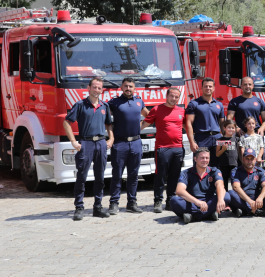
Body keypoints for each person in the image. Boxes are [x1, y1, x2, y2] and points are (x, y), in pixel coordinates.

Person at [63, 77, 114, 221]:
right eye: (94, 87)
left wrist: (111, 138)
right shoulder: (80, 105)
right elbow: (67, 122)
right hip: (86, 144)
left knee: (100, 177)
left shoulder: (105, 106)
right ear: (89, 88)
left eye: (99, 88)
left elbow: (109, 124)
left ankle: (98, 207)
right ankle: (79, 208)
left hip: (101, 144)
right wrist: (73, 141)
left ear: (102, 90)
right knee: (82, 177)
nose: (97, 90)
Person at [107, 77, 149, 214]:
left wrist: (140, 128)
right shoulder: (114, 102)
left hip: (136, 143)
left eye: (131, 86)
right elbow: (106, 120)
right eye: (126, 86)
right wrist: (111, 136)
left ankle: (132, 203)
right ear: (121, 87)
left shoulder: (139, 101)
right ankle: (114, 203)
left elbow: (149, 116)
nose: (128, 88)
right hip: (120, 143)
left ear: (134, 88)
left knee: (133, 175)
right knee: (117, 175)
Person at [141, 87, 185, 213]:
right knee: (160, 175)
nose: (174, 99)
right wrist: (130, 133)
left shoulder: (181, 111)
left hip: (177, 148)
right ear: (167, 95)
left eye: (177, 97)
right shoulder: (157, 109)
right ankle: (157, 201)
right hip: (162, 148)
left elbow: (187, 127)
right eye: (172, 96)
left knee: (174, 176)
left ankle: (170, 201)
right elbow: (144, 124)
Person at [169, 147, 227, 224]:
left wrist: (220, 200)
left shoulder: (214, 171)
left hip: (209, 201)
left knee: (226, 196)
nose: (205, 160)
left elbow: (220, 184)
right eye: (202, 158)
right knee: (174, 201)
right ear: (195, 159)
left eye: (207, 158)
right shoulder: (186, 173)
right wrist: (198, 202)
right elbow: (179, 191)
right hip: (192, 203)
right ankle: (208, 214)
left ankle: (194, 216)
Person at [226, 148, 265, 217]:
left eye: (252, 159)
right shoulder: (236, 171)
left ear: (255, 160)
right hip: (242, 199)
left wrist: (260, 198)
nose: (249, 161)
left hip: (257, 199)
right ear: (243, 159)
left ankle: (244, 211)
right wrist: (249, 201)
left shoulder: (260, 171)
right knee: (230, 194)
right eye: (247, 158)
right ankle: (255, 211)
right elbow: (236, 187)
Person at [186, 78, 224, 166]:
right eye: (205, 86)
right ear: (202, 88)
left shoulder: (219, 104)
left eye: (210, 86)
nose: (208, 88)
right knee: (200, 165)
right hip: (201, 139)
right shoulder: (194, 103)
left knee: (217, 166)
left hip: (217, 138)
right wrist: (192, 142)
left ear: (214, 88)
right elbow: (189, 123)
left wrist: (225, 139)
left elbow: (222, 124)